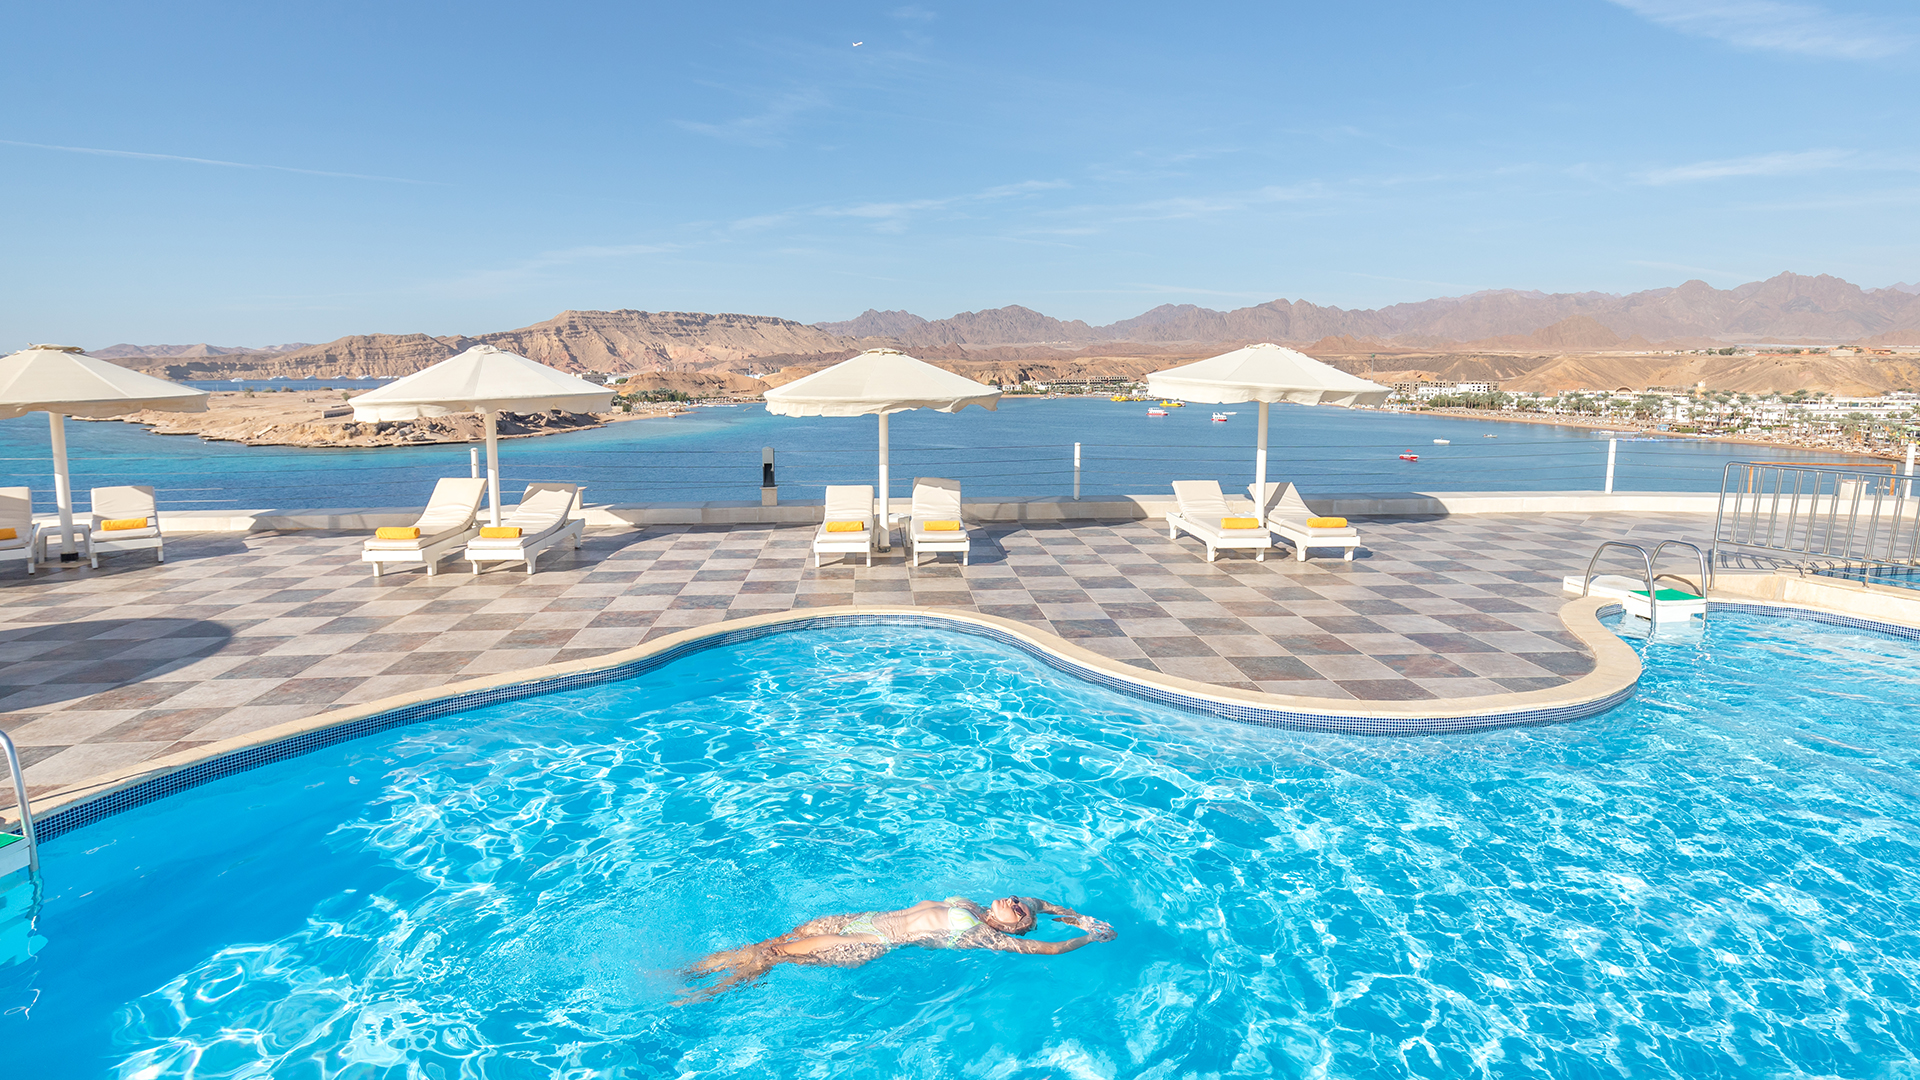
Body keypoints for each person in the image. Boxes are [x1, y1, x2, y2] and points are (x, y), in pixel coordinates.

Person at [680, 895, 1116, 1001]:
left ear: (1013, 929)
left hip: (860, 941)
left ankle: (702, 994)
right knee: (766, 945)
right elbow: (1040, 904)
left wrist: (1086, 937)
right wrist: (1078, 917)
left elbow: (1048, 950)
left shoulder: (988, 936)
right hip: (857, 919)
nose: (1017, 901)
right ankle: (687, 972)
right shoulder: (982, 908)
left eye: (1018, 910)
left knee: (771, 958)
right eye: (1017, 901)